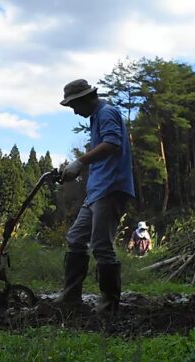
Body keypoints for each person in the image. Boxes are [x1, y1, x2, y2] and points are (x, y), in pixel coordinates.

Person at [54, 79, 135, 313]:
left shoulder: (107, 113)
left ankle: (109, 304)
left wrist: (80, 161)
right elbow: (102, 154)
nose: (75, 111)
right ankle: (71, 296)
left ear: (85, 99)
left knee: (101, 246)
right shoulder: (95, 118)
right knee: (76, 238)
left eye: (74, 106)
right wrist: (75, 170)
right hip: (97, 191)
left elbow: (112, 143)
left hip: (111, 188)